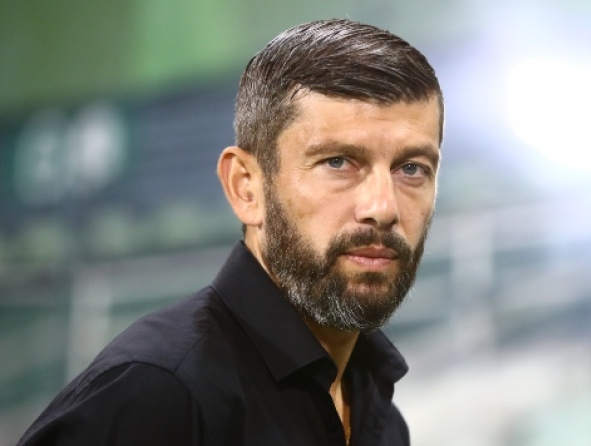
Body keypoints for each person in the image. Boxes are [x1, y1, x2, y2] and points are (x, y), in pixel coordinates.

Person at [17, 18, 443, 446]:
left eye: (411, 168)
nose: (383, 208)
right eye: (338, 162)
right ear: (246, 187)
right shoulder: (157, 394)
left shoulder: (381, 418)